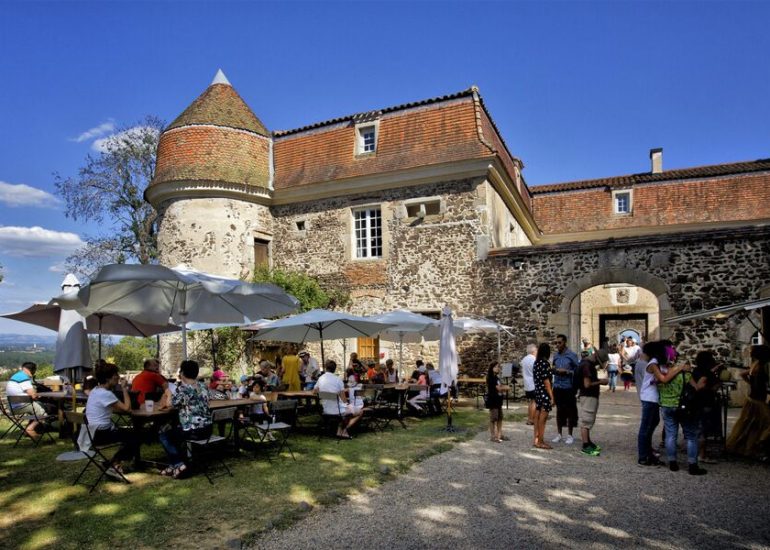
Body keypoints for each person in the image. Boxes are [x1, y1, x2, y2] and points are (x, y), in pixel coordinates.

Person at [651, 349, 706, 475]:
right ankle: (692, 465)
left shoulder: (660, 373)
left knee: (671, 435)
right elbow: (696, 388)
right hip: (683, 407)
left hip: (666, 406)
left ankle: (673, 463)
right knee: (691, 436)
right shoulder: (685, 374)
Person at [158, 360, 213, 479]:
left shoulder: (183, 389)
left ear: (182, 373)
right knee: (174, 432)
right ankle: (173, 467)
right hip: (207, 429)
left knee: (164, 434)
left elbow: (169, 404)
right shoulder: (203, 386)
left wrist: (168, 391)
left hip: (193, 431)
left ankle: (179, 464)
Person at [84, 362, 138, 478]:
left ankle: (111, 463)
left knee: (129, 434)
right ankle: (114, 464)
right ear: (108, 378)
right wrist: (124, 388)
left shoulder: (95, 391)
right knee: (135, 437)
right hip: (101, 435)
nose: (118, 377)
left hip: (88, 433)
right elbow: (127, 409)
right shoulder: (106, 394)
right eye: (115, 374)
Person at [726, 344, 770, 460]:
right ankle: (759, 443)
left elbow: (742, 374)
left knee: (751, 424)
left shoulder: (755, 364)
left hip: (752, 399)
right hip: (758, 400)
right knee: (766, 423)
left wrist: (751, 383)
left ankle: (748, 449)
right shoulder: (763, 366)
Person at [314, 359, 363, 438]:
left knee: (347, 410)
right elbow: (343, 399)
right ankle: (344, 430)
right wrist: (348, 404)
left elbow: (315, 391)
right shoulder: (337, 379)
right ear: (334, 369)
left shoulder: (321, 378)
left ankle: (339, 429)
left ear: (326, 368)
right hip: (338, 411)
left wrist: (324, 392)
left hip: (325, 409)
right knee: (360, 411)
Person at [636, 341, 666, 466]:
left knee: (652, 424)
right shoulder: (653, 363)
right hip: (649, 398)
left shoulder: (656, 363)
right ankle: (643, 456)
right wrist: (678, 369)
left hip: (652, 398)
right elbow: (663, 378)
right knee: (645, 428)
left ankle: (648, 453)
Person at [691, 351, 722, 464]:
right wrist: (714, 387)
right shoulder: (705, 373)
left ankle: (695, 453)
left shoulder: (696, 370)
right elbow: (701, 385)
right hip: (705, 402)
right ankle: (702, 454)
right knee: (702, 429)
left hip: (697, 402)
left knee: (697, 428)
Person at [578, 349, 610, 456]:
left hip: (589, 396)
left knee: (589, 419)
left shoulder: (586, 364)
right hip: (588, 396)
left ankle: (588, 441)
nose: (598, 365)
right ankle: (585, 445)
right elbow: (587, 384)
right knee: (586, 421)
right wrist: (601, 381)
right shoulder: (587, 366)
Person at [6, 362, 47, 439]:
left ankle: (26, 431)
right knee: (43, 412)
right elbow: (32, 394)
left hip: (12, 406)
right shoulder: (23, 377)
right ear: (32, 370)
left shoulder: (17, 376)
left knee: (35, 409)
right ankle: (30, 429)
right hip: (20, 406)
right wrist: (37, 395)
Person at [551, 334, 580, 445]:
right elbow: (553, 367)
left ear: (565, 342)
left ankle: (570, 435)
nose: (557, 345)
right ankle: (559, 434)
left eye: (559, 342)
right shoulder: (555, 356)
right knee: (559, 411)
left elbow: (578, 371)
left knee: (569, 411)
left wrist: (567, 371)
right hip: (558, 386)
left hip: (568, 387)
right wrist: (554, 370)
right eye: (556, 343)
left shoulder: (572, 355)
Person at [532, 343, 555, 449]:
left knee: (537, 416)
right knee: (543, 418)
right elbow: (547, 382)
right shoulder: (545, 363)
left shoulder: (536, 362)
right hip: (544, 393)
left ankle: (536, 439)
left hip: (538, 392)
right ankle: (540, 441)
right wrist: (552, 396)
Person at [486, 362, 505, 442]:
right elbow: (498, 388)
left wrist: (503, 388)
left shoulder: (496, 377)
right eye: (496, 367)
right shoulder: (490, 377)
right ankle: (493, 436)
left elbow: (500, 387)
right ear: (492, 368)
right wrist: (506, 388)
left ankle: (499, 434)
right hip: (493, 400)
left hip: (498, 400)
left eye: (498, 367)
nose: (498, 368)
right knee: (493, 418)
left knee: (500, 418)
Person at [520, 344, 537, 426]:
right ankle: (532, 419)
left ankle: (529, 418)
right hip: (533, 383)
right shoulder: (534, 359)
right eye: (536, 350)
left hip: (527, 383)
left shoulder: (524, 359)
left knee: (530, 402)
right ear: (533, 351)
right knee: (534, 402)